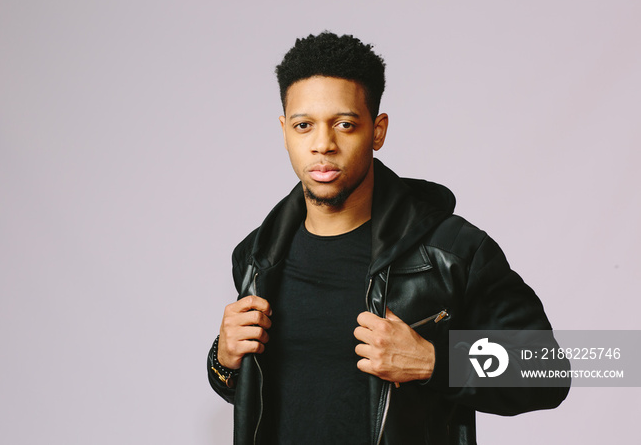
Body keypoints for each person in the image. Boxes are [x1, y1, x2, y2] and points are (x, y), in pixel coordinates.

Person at [206, 31, 569, 445]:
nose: (322, 145)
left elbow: (548, 371)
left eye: (344, 124)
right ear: (284, 130)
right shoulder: (256, 256)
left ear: (377, 131)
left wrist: (435, 361)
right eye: (303, 126)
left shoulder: (451, 252)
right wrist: (224, 359)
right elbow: (273, 394)